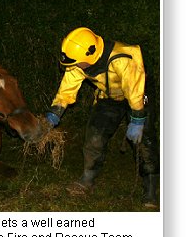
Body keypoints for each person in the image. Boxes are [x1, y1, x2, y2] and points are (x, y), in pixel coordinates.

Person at [46, 27, 160, 208]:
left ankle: (151, 188)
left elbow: (135, 92)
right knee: (94, 137)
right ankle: (88, 177)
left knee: (145, 142)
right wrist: (54, 113)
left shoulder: (123, 59)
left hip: (138, 94)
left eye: (76, 64)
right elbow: (68, 88)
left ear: (91, 55)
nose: (73, 68)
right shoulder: (78, 60)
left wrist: (138, 119)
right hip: (108, 97)